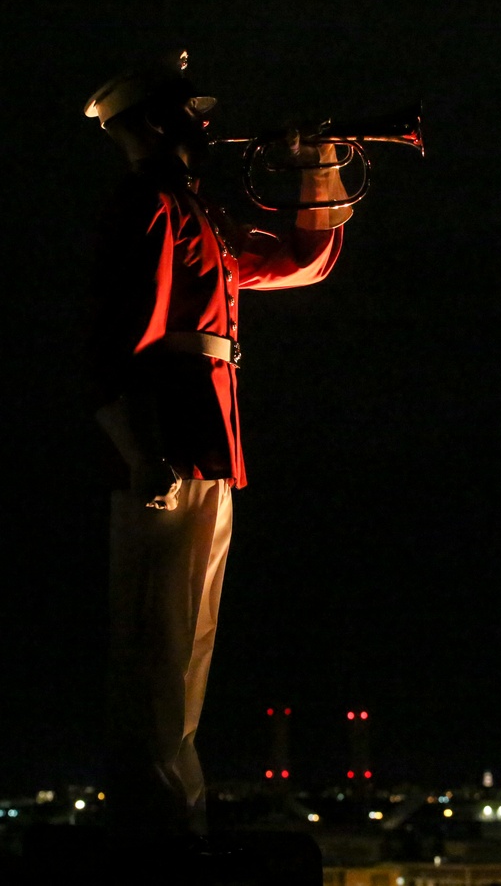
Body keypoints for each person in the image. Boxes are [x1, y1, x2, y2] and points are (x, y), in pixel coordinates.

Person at [84, 50, 352, 851]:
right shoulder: (148, 204)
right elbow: (114, 342)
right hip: (171, 450)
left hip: (198, 446)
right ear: (158, 122)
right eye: (190, 112)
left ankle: (173, 823)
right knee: (156, 655)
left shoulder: (184, 204)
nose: (207, 124)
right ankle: (157, 832)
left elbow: (299, 260)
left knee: (182, 653)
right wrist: (140, 449)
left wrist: (319, 172)